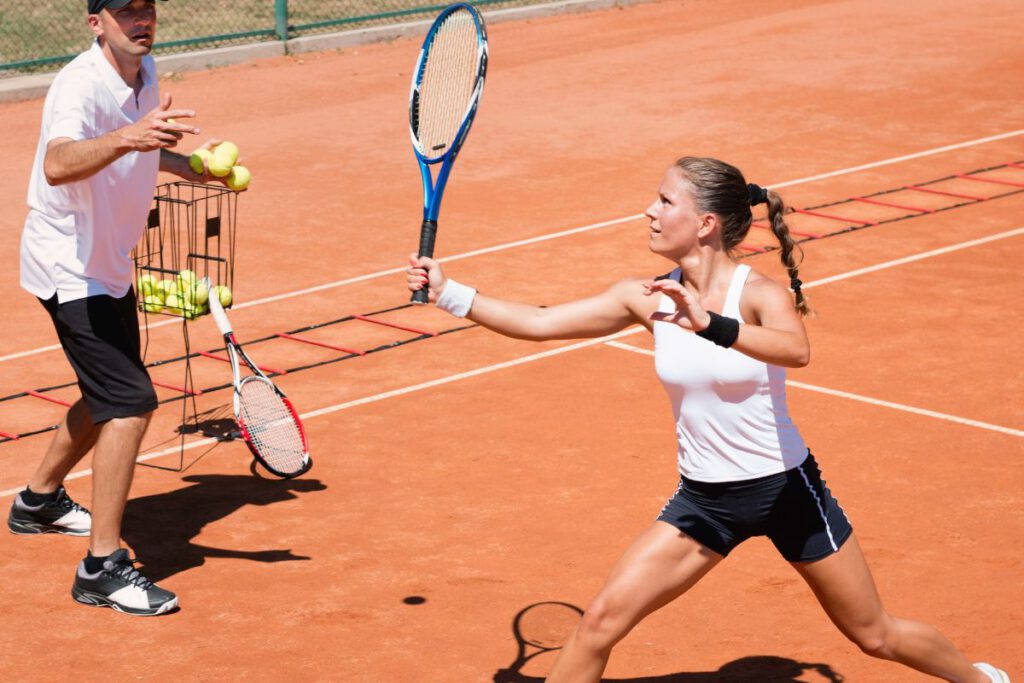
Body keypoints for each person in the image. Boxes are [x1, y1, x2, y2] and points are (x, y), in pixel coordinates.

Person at [406, 156, 1009, 682]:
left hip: (784, 491)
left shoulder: (757, 293)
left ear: (704, 224)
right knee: (597, 623)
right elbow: (540, 323)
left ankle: (981, 680)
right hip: (705, 503)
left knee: (874, 635)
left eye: (665, 200)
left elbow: (796, 350)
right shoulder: (647, 296)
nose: (648, 210)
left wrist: (711, 324)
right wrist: (450, 293)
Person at [8, 0, 233, 616]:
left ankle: (38, 501)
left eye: (148, 8)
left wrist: (190, 167)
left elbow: (140, 148)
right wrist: (131, 135)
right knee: (130, 402)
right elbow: (58, 164)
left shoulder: (146, 70)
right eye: (125, 10)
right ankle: (101, 570)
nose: (141, 19)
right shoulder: (79, 85)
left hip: (106, 264)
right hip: (69, 265)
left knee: (106, 391)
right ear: (95, 22)